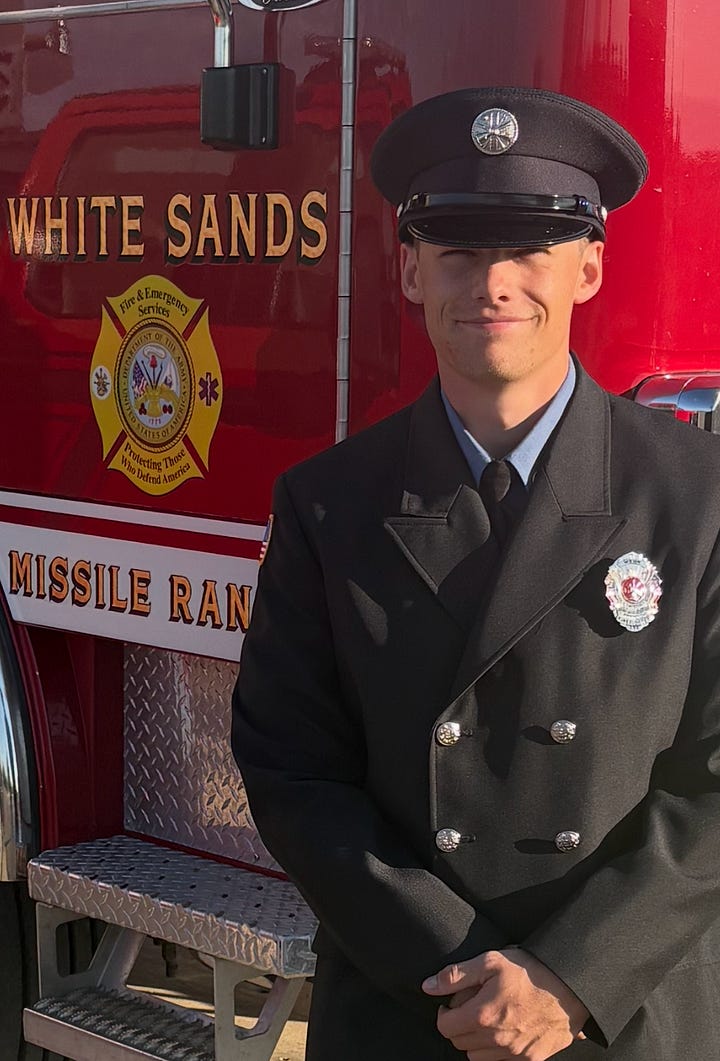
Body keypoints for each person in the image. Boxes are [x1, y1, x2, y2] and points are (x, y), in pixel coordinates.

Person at [231, 87, 720, 1060]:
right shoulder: (331, 504)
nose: (492, 283)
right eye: (458, 249)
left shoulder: (696, 496)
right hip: (411, 1009)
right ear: (410, 270)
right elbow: (293, 769)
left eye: (528, 248)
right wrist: (462, 971)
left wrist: (571, 974)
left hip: (625, 1014)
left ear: (588, 267)